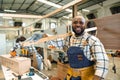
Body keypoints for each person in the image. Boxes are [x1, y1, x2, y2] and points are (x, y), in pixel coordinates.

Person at [65, 16, 109, 80]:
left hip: (86, 77)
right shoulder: (69, 38)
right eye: (75, 22)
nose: (78, 25)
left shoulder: (92, 40)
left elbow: (103, 62)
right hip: (71, 76)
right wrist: (47, 36)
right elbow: (56, 41)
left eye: (81, 23)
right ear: (72, 24)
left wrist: (96, 78)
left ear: (84, 25)